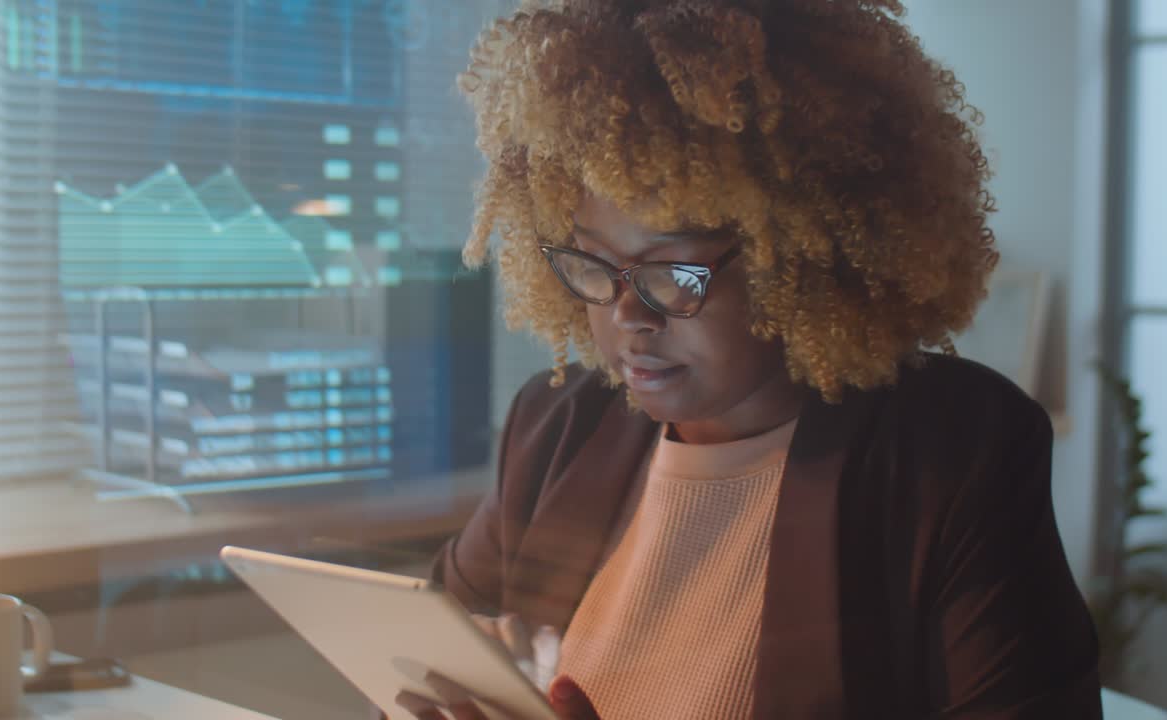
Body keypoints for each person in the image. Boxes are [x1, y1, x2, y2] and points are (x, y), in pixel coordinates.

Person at [399, 0, 1102, 717]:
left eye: (672, 271)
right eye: (592, 263)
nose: (625, 315)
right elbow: (422, 658)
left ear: (801, 255)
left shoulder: (949, 455)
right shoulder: (554, 429)